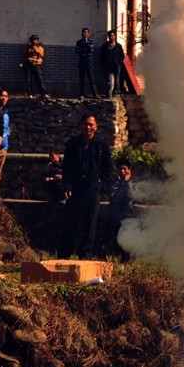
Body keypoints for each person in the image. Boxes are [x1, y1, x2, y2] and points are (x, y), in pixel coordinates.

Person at [58, 114, 112, 258]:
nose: (88, 127)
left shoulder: (102, 145)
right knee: (70, 223)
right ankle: (64, 255)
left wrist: (101, 185)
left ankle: (86, 255)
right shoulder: (72, 144)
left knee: (90, 225)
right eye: (85, 124)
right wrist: (67, 186)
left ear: (96, 126)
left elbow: (108, 168)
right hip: (76, 188)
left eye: (91, 125)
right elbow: (67, 168)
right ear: (81, 125)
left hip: (93, 189)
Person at [102, 163, 135, 261]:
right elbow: (109, 192)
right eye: (120, 169)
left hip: (127, 214)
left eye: (124, 169)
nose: (122, 172)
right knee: (111, 236)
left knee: (126, 238)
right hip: (113, 213)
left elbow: (132, 195)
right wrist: (119, 182)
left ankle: (125, 258)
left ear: (129, 170)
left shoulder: (133, 183)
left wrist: (125, 182)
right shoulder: (113, 182)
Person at [99, 30, 125, 98]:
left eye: (112, 36)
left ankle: (115, 92)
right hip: (108, 65)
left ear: (115, 36)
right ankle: (109, 93)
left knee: (117, 80)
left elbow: (122, 55)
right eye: (109, 36)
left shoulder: (118, 46)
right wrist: (103, 63)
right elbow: (102, 55)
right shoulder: (105, 46)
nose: (111, 37)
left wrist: (119, 62)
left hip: (116, 65)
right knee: (109, 80)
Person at [75, 27, 99, 98]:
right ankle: (81, 94)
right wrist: (86, 48)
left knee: (91, 79)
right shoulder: (79, 42)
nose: (84, 34)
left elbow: (91, 51)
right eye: (83, 32)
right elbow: (78, 51)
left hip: (89, 61)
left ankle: (95, 94)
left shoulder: (91, 41)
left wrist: (86, 48)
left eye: (86, 32)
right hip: (82, 61)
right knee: (81, 79)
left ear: (88, 33)